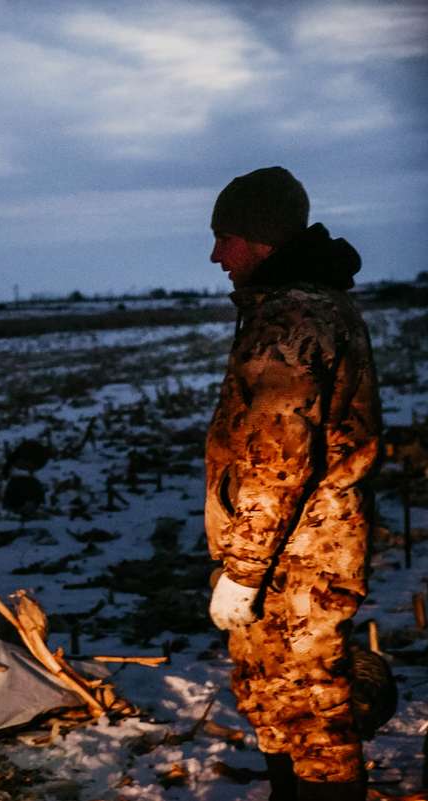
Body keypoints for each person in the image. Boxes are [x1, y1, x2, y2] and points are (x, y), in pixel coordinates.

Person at [203, 167, 381, 801]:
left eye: (225, 238)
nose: (216, 254)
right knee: (280, 710)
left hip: (296, 561)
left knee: (310, 721)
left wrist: (244, 569)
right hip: (297, 551)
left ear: (261, 238)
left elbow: (277, 459)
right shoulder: (309, 306)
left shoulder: (290, 322)